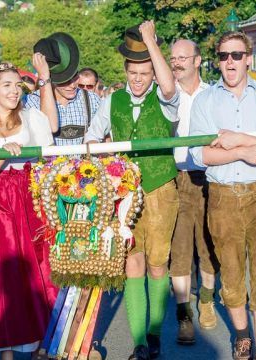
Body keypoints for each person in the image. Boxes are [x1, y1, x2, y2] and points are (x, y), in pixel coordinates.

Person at [189, 31, 256, 360]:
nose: (229, 61)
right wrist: (243, 152)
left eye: (235, 55)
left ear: (248, 57)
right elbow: (200, 155)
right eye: (223, 56)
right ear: (218, 61)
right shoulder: (205, 100)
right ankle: (242, 335)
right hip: (221, 196)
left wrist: (237, 139)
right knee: (230, 273)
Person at [85, 21, 180, 360]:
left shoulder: (166, 97)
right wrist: (103, 149)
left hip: (160, 188)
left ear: (153, 72)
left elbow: (169, 87)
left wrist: (151, 42)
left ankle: (155, 333)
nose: (139, 78)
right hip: (125, 192)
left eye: (145, 72)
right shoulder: (112, 101)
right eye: (133, 72)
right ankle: (139, 342)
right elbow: (91, 139)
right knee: (133, 264)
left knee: (158, 264)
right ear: (125, 71)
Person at [0, 62, 58, 360]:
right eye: (6, 84)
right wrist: (2, 152)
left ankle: (41, 345)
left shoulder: (33, 117)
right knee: (3, 274)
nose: (13, 90)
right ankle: (6, 349)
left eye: (17, 84)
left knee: (40, 268)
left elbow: (48, 157)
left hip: (30, 193)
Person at [168, 39, 219, 345]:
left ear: (197, 61)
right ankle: (184, 316)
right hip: (175, 177)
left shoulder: (214, 95)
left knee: (209, 246)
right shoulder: (165, 96)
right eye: (173, 58)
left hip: (207, 177)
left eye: (183, 57)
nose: (177, 62)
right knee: (180, 251)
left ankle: (208, 300)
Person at [25, 33, 100, 146]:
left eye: (74, 77)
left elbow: (106, 139)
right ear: (51, 80)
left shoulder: (92, 100)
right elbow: (49, 127)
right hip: (49, 163)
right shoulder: (33, 101)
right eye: (64, 81)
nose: (72, 85)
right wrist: (44, 77)